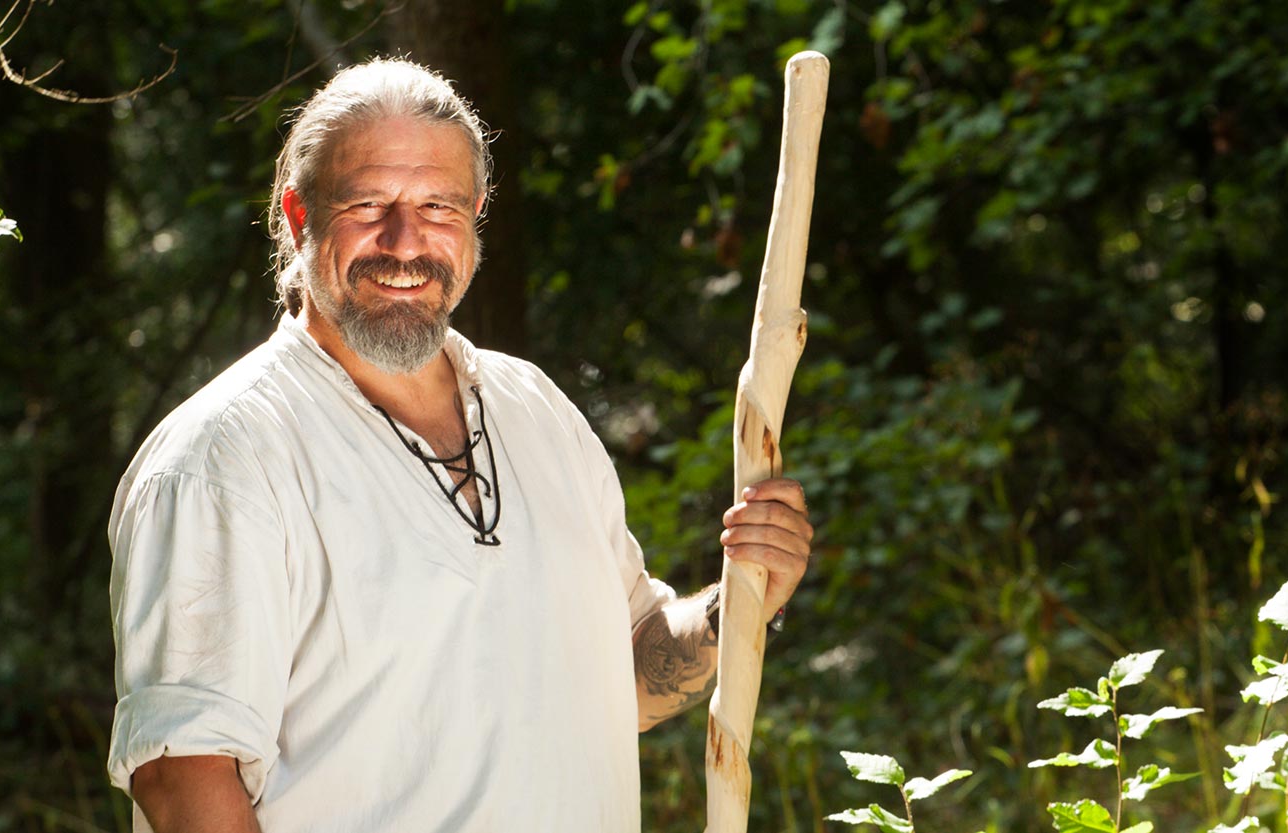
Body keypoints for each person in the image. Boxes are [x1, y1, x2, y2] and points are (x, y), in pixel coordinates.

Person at [102, 58, 814, 833]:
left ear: (476, 214)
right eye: (369, 203)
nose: (406, 242)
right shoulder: (224, 460)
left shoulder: (536, 410)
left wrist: (741, 599)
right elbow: (184, 781)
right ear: (300, 216)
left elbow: (632, 672)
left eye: (438, 205)